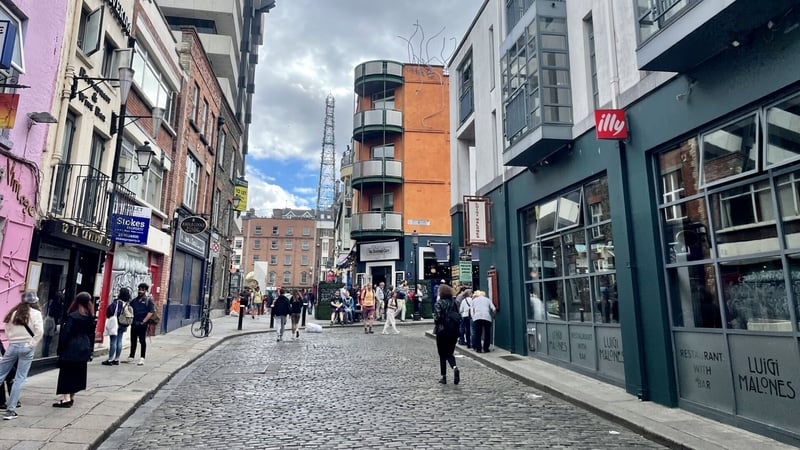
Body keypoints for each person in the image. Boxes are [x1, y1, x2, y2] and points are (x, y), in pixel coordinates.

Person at [0, 291, 43, 420]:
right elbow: (39, 331)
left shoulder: (14, 313)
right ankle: (11, 410)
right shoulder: (36, 313)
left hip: (12, 346)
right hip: (26, 346)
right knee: (19, 378)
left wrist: (12, 339)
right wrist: (31, 344)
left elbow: (6, 329)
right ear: (35, 301)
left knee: (1, 374)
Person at [54, 291, 95, 409]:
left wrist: (60, 348)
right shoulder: (89, 316)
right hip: (84, 346)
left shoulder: (73, 315)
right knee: (78, 372)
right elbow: (91, 333)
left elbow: (66, 333)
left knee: (66, 372)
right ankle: (71, 396)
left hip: (72, 347)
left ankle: (66, 398)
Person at [432, 284, 460, 385]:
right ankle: (454, 367)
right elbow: (458, 316)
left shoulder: (439, 303)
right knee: (450, 352)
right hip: (454, 331)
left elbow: (437, 317)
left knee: (442, 354)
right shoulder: (455, 302)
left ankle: (444, 377)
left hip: (442, 331)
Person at [127, 283, 154, 366]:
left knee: (142, 341)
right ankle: (131, 356)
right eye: (139, 289)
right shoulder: (134, 301)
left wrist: (144, 321)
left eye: (142, 290)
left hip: (142, 324)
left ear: (145, 291)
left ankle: (142, 358)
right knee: (133, 340)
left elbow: (150, 312)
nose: (140, 291)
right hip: (134, 323)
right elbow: (129, 309)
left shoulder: (148, 301)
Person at [102, 288, 131, 366]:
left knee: (113, 341)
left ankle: (110, 359)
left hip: (115, 323)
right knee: (119, 340)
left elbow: (109, 311)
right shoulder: (127, 303)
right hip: (123, 324)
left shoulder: (117, 302)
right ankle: (117, 359)